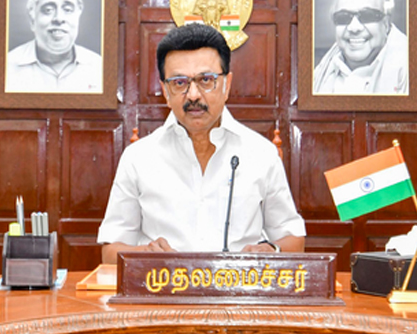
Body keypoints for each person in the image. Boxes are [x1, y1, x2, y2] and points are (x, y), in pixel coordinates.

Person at [97, 24, 305, 262]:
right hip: (163, 284)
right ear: (165, 91)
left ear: (227, 85)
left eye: (206, 80)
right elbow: (110, 252)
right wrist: (147, 256)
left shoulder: (261, 153)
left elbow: (294, 240)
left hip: (239, 285)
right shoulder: (138, 158)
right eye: (179, 82)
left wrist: (272, 251)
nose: (193, 95)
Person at [6, 0, 102, 93]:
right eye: (48, 10)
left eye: (67, 9)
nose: (59, 18)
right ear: (32, 20)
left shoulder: (100, 68)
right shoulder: (7, 67)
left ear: (78, 16)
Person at [313, 0, 408, 95]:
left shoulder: (410, 68)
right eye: (343, 17)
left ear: (386, 25)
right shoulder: (321, 71)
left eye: (367, 16)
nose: (354, 28)